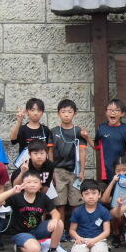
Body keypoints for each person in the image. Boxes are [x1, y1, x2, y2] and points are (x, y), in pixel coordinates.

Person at [0, 170, 64, 252]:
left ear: (40, 184)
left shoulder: (43, 197)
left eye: (35, 182)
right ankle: (19, 247)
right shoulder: (17, 197)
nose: (32, 185)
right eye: (28, 182)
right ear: (23, 184)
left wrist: (54, 220)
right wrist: (12, 190)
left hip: (37, 229)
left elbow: (55, 213)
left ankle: (52, 251)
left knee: (59, 223)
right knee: (34, 250)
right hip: (20, 233)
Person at [51, 99, 87, 233]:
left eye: (69, 112)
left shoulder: (79, 131)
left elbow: (82, 151)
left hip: (75, 171)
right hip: (58, 171)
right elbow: (50, 152)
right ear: (58, 113)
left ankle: (74, 230)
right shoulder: (53, 131)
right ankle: (60, 232)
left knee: (75, 203)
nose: (66, 114)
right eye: (63, 111)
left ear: (75, 114)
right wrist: (51, 171)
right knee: (59, 203)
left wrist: (82, 170)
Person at [87, 99, 126, 182]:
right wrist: (87, 137)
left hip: (121, 169)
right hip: (106, 169)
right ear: (106, 112)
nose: (112, 112)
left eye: (116, 110)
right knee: (109, 187)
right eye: (110, 109)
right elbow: (96, 146)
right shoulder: (101, 128)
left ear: (122, 113)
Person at [68, 180, 112, 252]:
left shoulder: (103, 211)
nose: (91, 196)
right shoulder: (77, 211)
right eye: (86, 194)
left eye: (94, 193)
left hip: (98, 240)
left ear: (99, 194)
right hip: (82, 240)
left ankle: (98, 250)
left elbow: (107, 231)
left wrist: (94, 240)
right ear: (82, 196)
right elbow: (72, 230)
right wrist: (78, 238)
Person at [100, 156, 126, 248]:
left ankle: (125, 232)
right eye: (118, 171)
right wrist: (112, 182)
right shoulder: (115, 181)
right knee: (117, 211)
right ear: (114, 171)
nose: (121, 173)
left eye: (124, 170)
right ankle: (116, 234)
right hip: (117, 212)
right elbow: (104, 200)